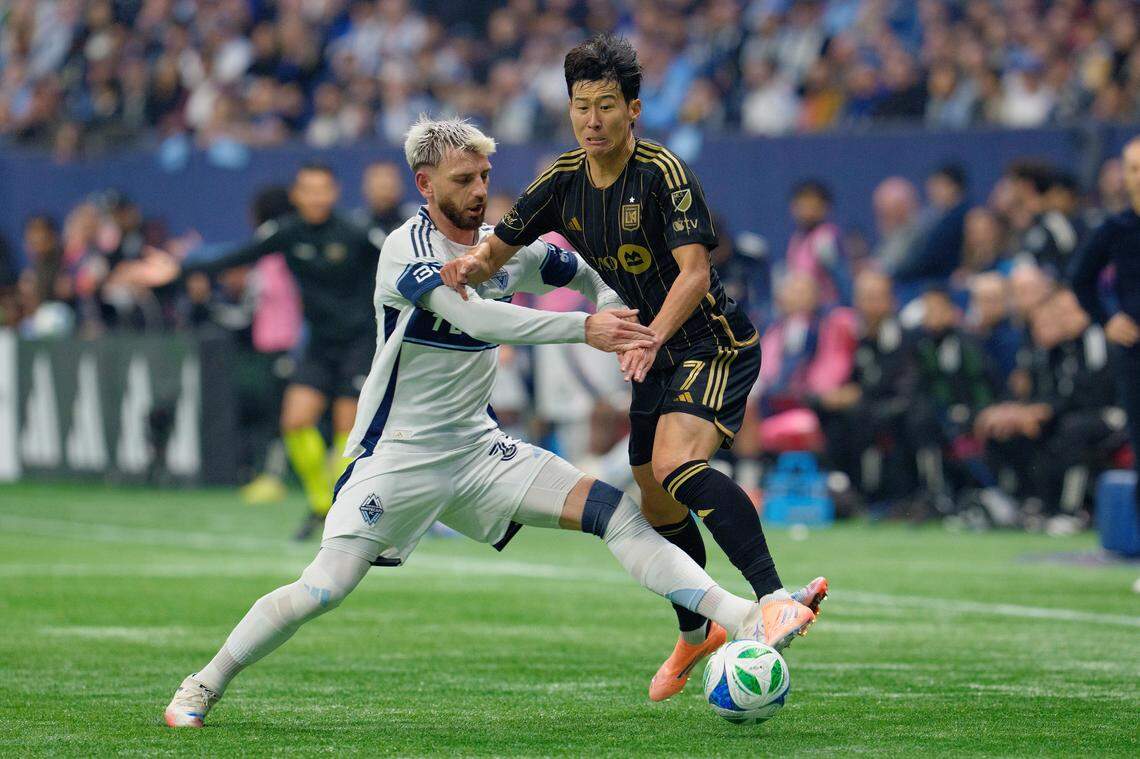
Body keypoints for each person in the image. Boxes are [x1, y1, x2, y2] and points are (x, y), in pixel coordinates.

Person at [162, 117, 820, 729]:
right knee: (322, 588)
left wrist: (618, 314)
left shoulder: (504, 247)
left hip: (480, 452)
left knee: (614, 511)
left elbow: (581, 273)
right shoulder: (404, 251)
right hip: (398, 458)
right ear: (425, 184)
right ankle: (204, 681)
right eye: (463, 180)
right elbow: (478, 319)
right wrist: (582, 329)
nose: (480, 192)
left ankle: (746, 617)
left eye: (483, 177)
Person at [440, 34, 824, 702]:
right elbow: (499, 245)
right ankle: (698, 627)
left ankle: (772, 597)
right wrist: (464, 268)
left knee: (677, 464)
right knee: (653, 496)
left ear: (634, 110)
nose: (592, 120)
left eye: (606, 106)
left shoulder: (662, 173)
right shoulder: (562, 181)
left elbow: (696, 273)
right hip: (653, 348)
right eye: (581, 106)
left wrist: (647, 339)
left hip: (711, 341)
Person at [142, 163, 382, 540]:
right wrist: (180, 268)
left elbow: (399, 263)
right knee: (295, 421)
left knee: (346, 431)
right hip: (320, 344)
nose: (316, 197)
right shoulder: (287, 233)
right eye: (308, 190)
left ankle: (346, 513)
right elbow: (236, 256)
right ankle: (323, 505)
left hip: (360, 342)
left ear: (334, 193)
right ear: (297, 196)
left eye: (323, 189)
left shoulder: (355, 232)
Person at [1068, 136, 1140, 520]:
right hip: (1135, 355)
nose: (1138, 176)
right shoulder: (1116, 229)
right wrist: (1107, 318)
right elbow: (1080, 279)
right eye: (1132, 168)